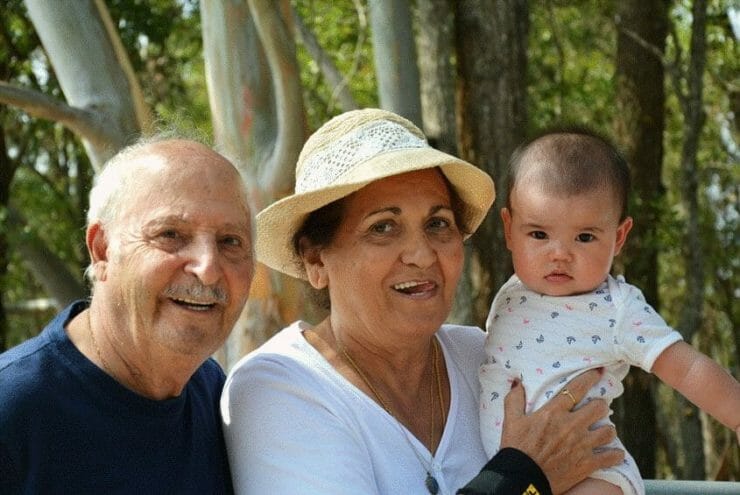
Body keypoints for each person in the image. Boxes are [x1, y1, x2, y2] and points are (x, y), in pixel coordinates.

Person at [221, 108, 623, 495]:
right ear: (315, 260)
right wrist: (525, 474)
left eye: (438, 224)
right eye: (382, 227)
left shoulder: (489, 358)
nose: (422, 254)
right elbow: (537, 472)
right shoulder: (282, 386)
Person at [479, 127, 740, 495]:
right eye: (539, 234)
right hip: (513, 476)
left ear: (618, 237)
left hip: (591, 472)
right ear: (509, 230)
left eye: (584, 237)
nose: (559, 253)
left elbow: (687, 367)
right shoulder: (511, 293)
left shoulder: (617, 308)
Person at [0, 137, 255, 494]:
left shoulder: (214, 393)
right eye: (170, 234)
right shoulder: (14, 410)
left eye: (230, 241)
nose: (208, 268)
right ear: (102, 250)